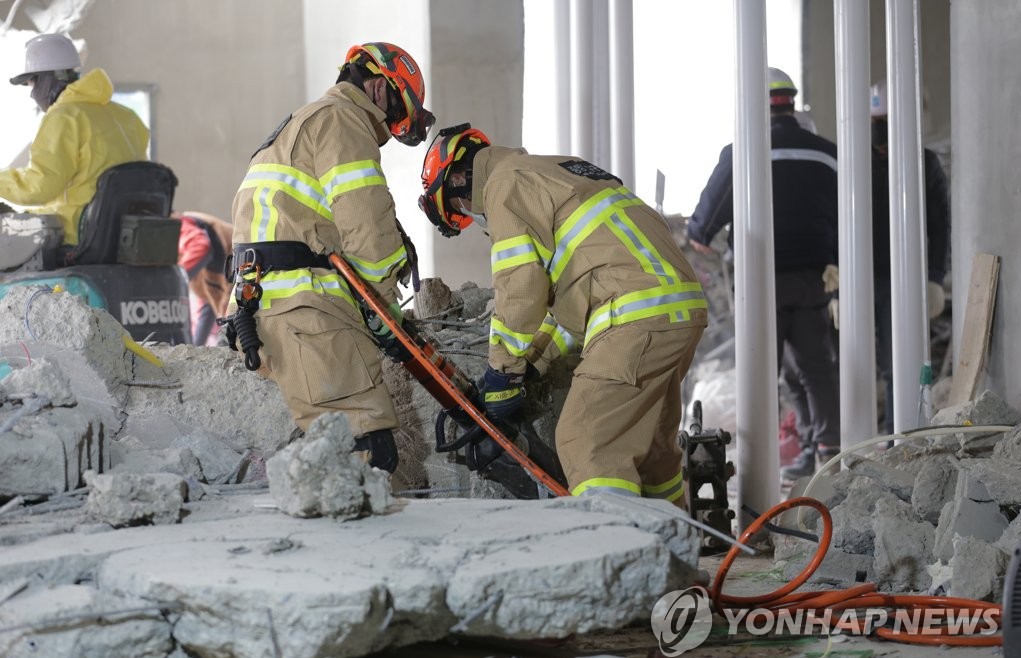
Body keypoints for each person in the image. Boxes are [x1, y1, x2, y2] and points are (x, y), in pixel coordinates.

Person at [418, 124, 708, 507]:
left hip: (633, 316)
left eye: (458, 210)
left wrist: (501, 370)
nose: (470, 218)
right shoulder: (554, 171)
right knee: (653, 448)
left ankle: (618, 558)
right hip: (674, 309)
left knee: (586, 438)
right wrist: (531, 365)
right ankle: (677, 552)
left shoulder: (503, 186)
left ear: (458, 179)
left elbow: (520, 285)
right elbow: (573, 308)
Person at [226, 42, 434, 474]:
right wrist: (386, 312)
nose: (388, 129)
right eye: (395, 113)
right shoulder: (343, 120)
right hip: (307, 313)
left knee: (345, 451)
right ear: (378, 88)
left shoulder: (302, 123)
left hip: (269, 307)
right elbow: (368, 228)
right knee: (366, 453)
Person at [686, 67, 840, 480]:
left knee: (761, 370)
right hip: (813, 277)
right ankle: (826, 449)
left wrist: (705, 232)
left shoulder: (743, 152)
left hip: (760, 281)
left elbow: (701, 229)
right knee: (811, 365)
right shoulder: (828, 153)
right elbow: (850, 216)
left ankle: (759, 468)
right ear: (792, 101)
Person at [0, 33, 149, 247]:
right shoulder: (126, 117)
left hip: (80, 234)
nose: (32, 95)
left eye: (33, 84)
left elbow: (40, 186)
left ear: (48, 79)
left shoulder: (65, 117)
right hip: (122, 235)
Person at [869, 79, 951, 435]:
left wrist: (934, 276)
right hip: (862, 278)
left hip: (903, 278)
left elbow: (940, 223)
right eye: (876, 123)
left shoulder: (924, 163)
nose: (881, 134)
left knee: (898, 364)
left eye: (887, 122)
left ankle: (898, 441)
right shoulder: (855, 164)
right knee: (851, 369)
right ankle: (847, 445)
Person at [176, 211, 232, 345]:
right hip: (231, 280)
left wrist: (175, 279)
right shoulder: (203, 278)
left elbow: (200, 246)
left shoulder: (178, 225)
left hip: (243, 266)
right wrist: (195, 348)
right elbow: (209, 305)